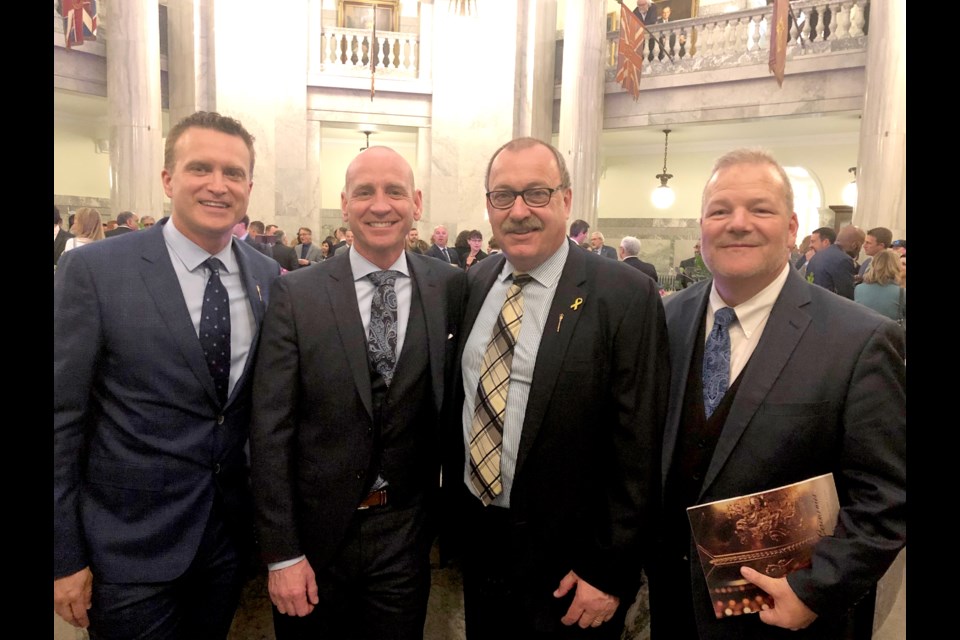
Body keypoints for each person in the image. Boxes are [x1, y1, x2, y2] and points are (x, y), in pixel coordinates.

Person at [649, 148, 906, 640]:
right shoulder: (664, 320)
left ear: (791, 229)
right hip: (673, 604)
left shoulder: (859, 339)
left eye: (760, 209)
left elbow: (887, 494)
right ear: (701, 226)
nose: (738, 224)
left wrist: (816, 589)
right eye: (720, 210)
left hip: (786, 616)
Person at [54, 111, 281, 638]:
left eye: (234, 173)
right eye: (200, 168)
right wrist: (64, 556)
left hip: (225, 544)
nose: (218, 185)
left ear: (249, 186)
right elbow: (63, 419)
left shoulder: (267, 277)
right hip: (127, 552)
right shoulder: (96, 271)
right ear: (167, 179)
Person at [449, 137, 669, 639]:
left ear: (566, 201)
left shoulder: (623, 295)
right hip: (483, 543)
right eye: (503, 196)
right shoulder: (476, 281)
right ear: (488, 206)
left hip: (572, 567)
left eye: (537, 194)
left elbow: (638, 442)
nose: (519, 211)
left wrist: (609, 569)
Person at [250, 146, 465, 640]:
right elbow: (270, 428)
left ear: (416, 202)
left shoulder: (450, 288)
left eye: (394, 192)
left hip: (406, 532)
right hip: (314, 534)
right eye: (365, 192)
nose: (380, 205)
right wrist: (282, 552)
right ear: (345, 204)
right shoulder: (297, 294)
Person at [805, 225, 856, 299]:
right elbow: (847, 295)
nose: (810, 245)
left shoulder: (815, 257)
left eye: (813, 242)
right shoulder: (842, 259)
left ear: (825, 242)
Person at [854, 249, 904, 323]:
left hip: (865, 331)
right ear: (896, 267)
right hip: (890, 332)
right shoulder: (901, 293)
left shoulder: (859, 289)